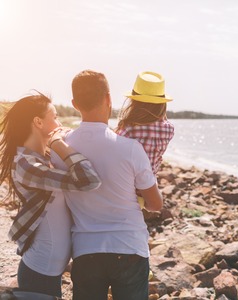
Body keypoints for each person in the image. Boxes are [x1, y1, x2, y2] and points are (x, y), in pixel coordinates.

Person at [51, 70, 163, 300]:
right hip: (130, 247)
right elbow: (155, 205)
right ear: (109, 99)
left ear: (74, 104)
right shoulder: (130, 148)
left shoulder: (59, 149)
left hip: (86, 250)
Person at [0, 93, 102, 297]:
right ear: (38, 122)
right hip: (40, 269)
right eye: (54, 116)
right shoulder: (26, 164)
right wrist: (59, 143)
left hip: (50, 269)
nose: (59, 122)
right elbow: (89, 180)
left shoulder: (43, 158)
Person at [116, 71, 175, 175]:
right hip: (150, 183)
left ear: (134, 103)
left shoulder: (129, 128)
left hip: (127, 184)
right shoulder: (169, 129)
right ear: (162, 104)